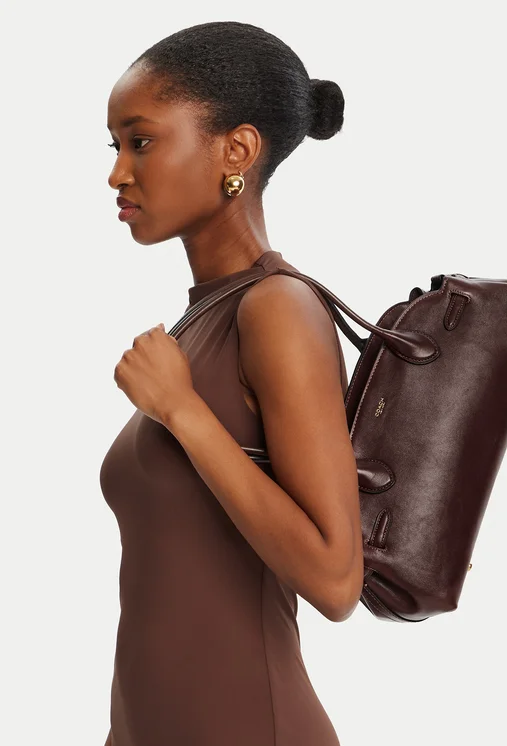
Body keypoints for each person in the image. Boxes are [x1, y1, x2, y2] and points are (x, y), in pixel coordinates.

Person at [101, 20, 363, 746]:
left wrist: (182, 411)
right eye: (113, 146)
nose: (118, 173)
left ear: (237, 151)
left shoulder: (277, 309)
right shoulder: (203, 320)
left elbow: (336, 580)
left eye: (141, 141)